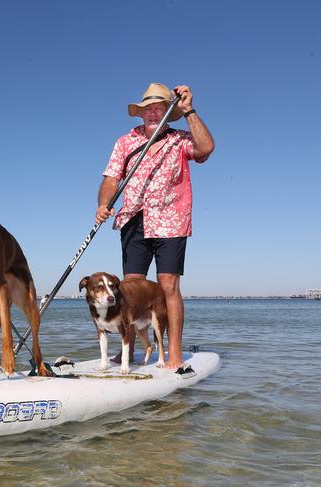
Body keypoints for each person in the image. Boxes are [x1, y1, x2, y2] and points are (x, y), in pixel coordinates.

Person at [95, 82, 214, 371]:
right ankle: (128, 352)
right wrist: (103, 204)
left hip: (171, 219)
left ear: (168, 113)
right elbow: (112, 178)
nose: (153, 113)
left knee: (168, 286)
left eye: (159, 108)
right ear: (141, 113)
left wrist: (189, 111)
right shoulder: (125, 142)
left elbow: (205, 148)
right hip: (133, 218)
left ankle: (174, 354)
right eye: (148, 109)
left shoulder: (180, 139)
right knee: (130, 286)